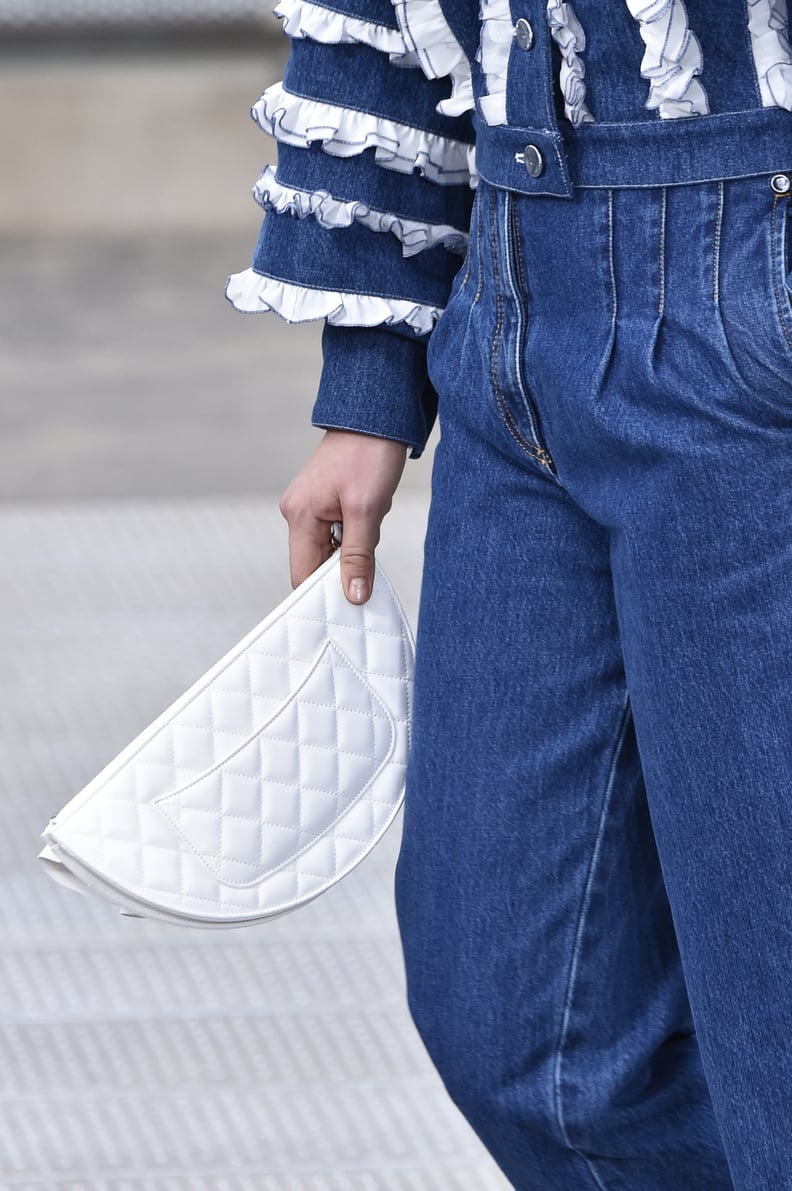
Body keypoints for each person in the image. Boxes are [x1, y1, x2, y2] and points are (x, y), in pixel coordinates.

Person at [227, 2, 792, 1186]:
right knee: (520, 1026)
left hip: (756, 276)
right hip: (511, 309)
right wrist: (368, 385)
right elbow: (379, 21)